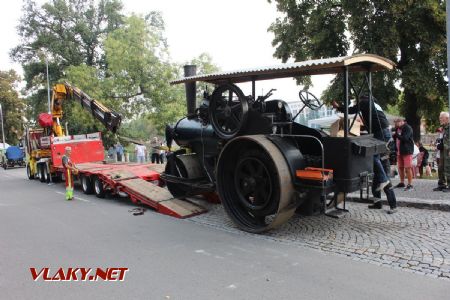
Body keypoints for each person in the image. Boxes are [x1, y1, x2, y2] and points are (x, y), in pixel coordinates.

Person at [333, 95, 397, 213]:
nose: (356, 103)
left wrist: (338, 107)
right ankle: (378, 202)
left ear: (360, 99)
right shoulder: (374, 104)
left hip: (380, 134)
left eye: (356, 101)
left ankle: (392, 203)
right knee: (377, 166)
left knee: (379, 165)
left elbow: (351, 111)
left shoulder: (365, 102)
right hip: (385, 134)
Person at [392, 117, 415, 191]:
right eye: (395, 123)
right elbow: (396, 139)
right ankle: (402, 182)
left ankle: (410, 184)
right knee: (400, 167)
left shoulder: (407, 128)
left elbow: (405, 138)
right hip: (399, 151)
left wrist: (396, 135)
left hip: (407, 150)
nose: (395, 124)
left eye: (396, 123)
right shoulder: (397, 129)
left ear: (401, 121)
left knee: (408, 168)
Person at [434, 112, 450, 192]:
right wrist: (439, 142)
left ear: (447, 118)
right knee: (440, 167)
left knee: (448, 167)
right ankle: (441, 184)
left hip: (448, 150)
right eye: (440, 117)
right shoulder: (443, 127)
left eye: (441, 118)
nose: (440, 119)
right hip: (443, 150)